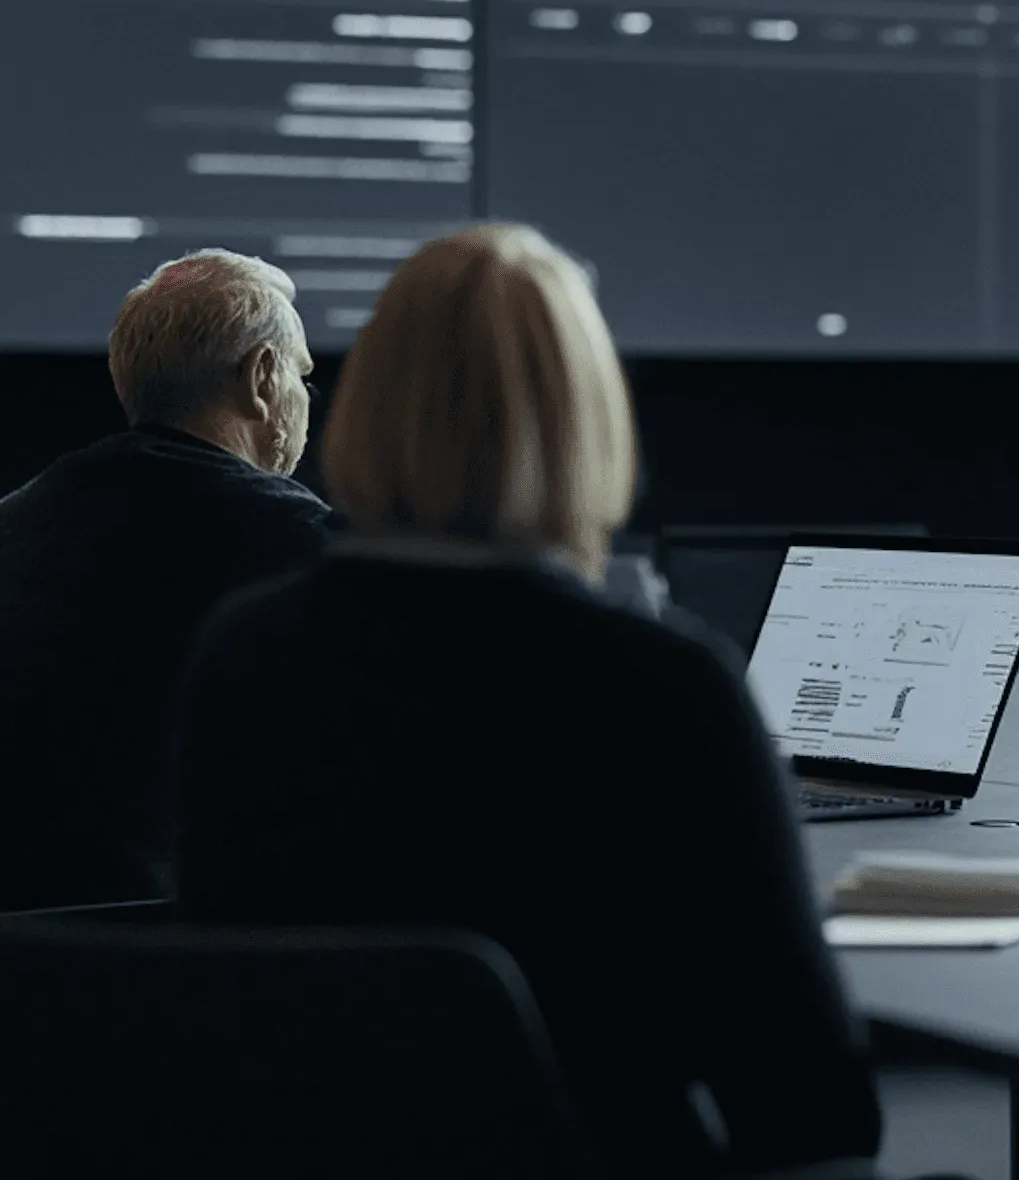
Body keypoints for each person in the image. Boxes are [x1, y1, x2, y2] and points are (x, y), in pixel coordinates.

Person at [170, 225, 882, 1175]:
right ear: (584, 415)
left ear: (371, 405)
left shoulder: (244, 658)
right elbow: (807, 1107)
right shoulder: (662, 686)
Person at [0, 251, 326, 910]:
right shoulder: (308, 547)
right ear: (263, 377)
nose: (305, 397)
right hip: (193, 967)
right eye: (301, 374)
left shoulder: (12, 523)